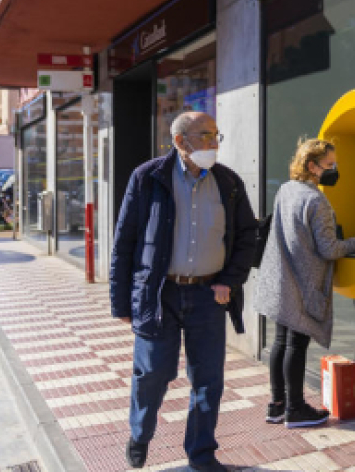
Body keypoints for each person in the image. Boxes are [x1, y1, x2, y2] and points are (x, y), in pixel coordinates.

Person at [110, 111, 258, 472]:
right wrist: (121, 300)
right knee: (152, 374)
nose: (213, 143)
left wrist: (229, 280)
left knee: (208, 380)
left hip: (209, 295)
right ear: (180, 141)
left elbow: (247, 237)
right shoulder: (148, 178)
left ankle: (202, 455)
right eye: (206, 135)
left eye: (216, 136)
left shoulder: (229, 182)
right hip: (159, 295)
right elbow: (125, 241)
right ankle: (140, 434)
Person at [252, 138, 355, 428]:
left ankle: (277, 404)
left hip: (282, 278)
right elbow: (328, 249)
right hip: (303, 282)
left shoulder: (287, 190)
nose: (334, 169)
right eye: (329, 165)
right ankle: (296, 408)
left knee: (280, 341)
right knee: (296, 345)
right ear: (312, 166)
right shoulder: (316, 200)